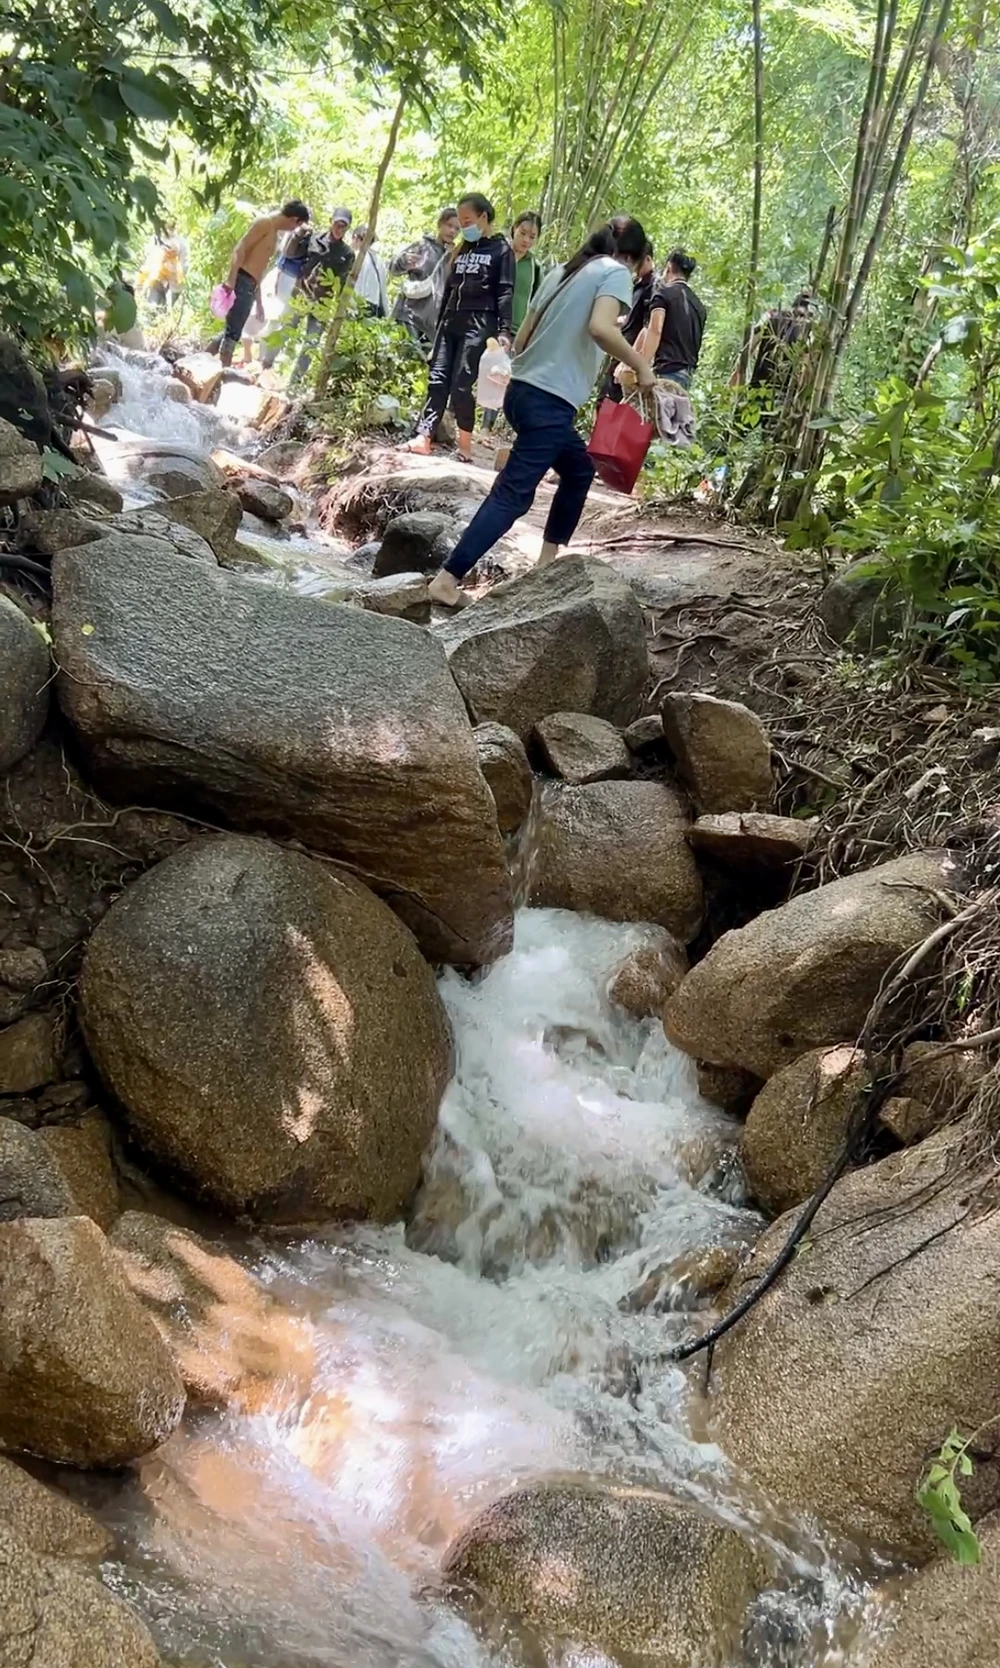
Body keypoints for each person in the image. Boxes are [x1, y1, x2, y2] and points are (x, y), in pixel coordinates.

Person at [425, 215, 656, 606]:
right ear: (631, 256)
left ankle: (546, 564)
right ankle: (447, 579)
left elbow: (526, 331)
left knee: (579, 469)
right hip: (549, 401)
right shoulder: (613, 271)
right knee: (514, 494)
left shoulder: (563, 271)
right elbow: (602, 328)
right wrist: (641, 365)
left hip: (523, 392)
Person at [407, 193, 514, 462]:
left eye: (467, 220)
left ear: (483, 218)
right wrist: (438, 328)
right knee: (437, 378)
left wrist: (504, 330)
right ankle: (424, 437)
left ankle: (465, 445)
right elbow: (449, 290)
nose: (463, 226)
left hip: (480, 322)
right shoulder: (463, 248)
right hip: (450, 321)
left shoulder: (501, 251)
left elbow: (504, 291)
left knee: (461, 383)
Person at [218, 199, 311, 367]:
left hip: (251, 285)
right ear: (294, 220)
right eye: (296, 226)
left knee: (232, 330)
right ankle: (219, 372)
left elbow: (260, 270)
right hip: (241, 279)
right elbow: (240, 248)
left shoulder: (274, 234)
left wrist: (259, 301)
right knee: (232, 334)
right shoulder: (264, 223)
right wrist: (231, 279)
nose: (293, 230)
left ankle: (205, 369)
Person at [290, 207, 356, 384]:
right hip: (302, 293)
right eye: (337, 224)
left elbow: (343, 283)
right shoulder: (313, 238)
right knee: (287, 328)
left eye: (344, 226)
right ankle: (267, 366)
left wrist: (342, 308)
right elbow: (293, 256)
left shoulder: (347, 253)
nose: (339, 228)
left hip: (323, 302)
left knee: (310, 344)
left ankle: (294, 383)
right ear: (331, 221)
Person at [635, 247, 706, 388]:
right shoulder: (699, 305)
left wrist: (642, 368)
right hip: (687, 374)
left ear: (668, 267)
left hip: (666, 371)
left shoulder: (663, 294)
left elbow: (655, 330)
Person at [391, 208, 460, 349]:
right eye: (449, 225)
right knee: (405, 358)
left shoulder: (454, 256)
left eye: (457, 229)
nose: (452, 231)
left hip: (431, 324)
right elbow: (393, 268)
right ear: (440, 224)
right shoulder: (422, 246)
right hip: (408, 315)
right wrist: (404, 261)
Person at [601, 241, 655, 401]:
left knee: (615, 404)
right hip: (619, 348)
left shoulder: (654, 287)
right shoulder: (636, 285)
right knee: (604, 399)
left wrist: (634, 364)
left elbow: (648, 329)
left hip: (629, 357)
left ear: (647, 259)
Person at [735, 289, 814, 392]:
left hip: (759, 386)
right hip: (786, 393)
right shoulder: (809, 331)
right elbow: (806, 369)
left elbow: (747, 351)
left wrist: (738, 376)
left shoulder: (771, 315)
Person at [351, 226, 390, 318]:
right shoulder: (379, 260)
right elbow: (383, 290)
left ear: (356, 238)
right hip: (375, 306)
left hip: (359, 305)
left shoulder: (356, 257)